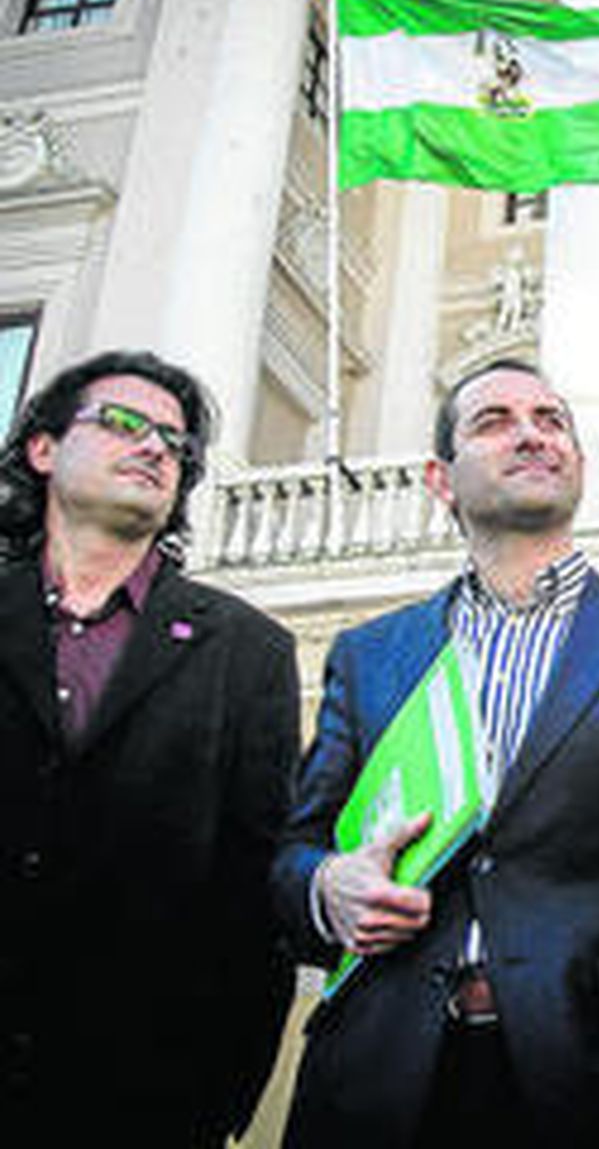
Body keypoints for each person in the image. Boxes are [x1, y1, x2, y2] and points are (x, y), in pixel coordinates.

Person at [272, 359, 599, 1147]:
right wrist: (328, 886)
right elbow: (292, 852)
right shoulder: (373, 655)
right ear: (441, 479)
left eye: (551, 418)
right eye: (495, 420)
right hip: (382, 1083)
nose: (532, 433)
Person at [0, 351, 298, 1146]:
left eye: (176, 442)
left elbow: (252, 890)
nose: (157, 447)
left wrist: (219, 1091)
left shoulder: (248, 649)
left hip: (137, 1098)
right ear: (42, 449)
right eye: (126, 424)